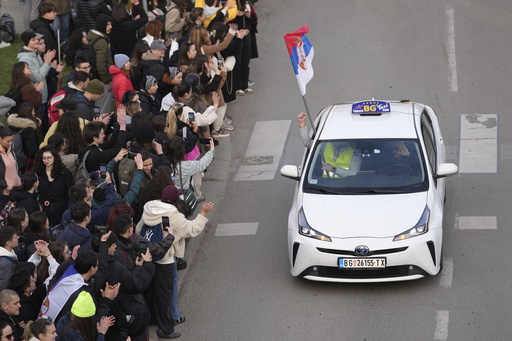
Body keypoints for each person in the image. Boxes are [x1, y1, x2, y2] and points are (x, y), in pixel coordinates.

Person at [136, 186, 214, 339]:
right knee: (165, 294)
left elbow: (139, 230)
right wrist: (203, 213)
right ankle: (166, 328)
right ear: (175, 200)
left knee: (151, 291)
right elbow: (192, 229)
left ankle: (152, 319)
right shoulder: (174, 215)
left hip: (148, 256)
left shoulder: (149, 208)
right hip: (164, 259)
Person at [33, 146, 74, 227]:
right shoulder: (38, 173)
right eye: (44, 158)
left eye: (49, 158)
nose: (46, 160)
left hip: (62, 210)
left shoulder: (65, 173)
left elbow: (70, 193)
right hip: (44, 210)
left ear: (55, 158)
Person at [86, 14, 114, 115]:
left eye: (111, 24)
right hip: (101, 80)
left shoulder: (94, 38)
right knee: (103, 109)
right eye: (107, 25)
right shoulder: (102, 42)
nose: (110, 27)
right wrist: (107, 82)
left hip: (95, 78)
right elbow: (100, 65)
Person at [8, 102, 43, 171]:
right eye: (33, 112)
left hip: (13, 158)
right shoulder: (29, 129)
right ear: (29, 112)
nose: (34, 114)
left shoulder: (12, 124)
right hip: (25, 162)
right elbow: (32, 151)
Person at [0, 128, 21, 208]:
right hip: (4, 194)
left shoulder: (11, 150)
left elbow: (16, 167)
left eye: (12, 141)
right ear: (0, 139)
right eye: (8, 141)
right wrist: (5, 185)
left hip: (15, 191)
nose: (10, 143)